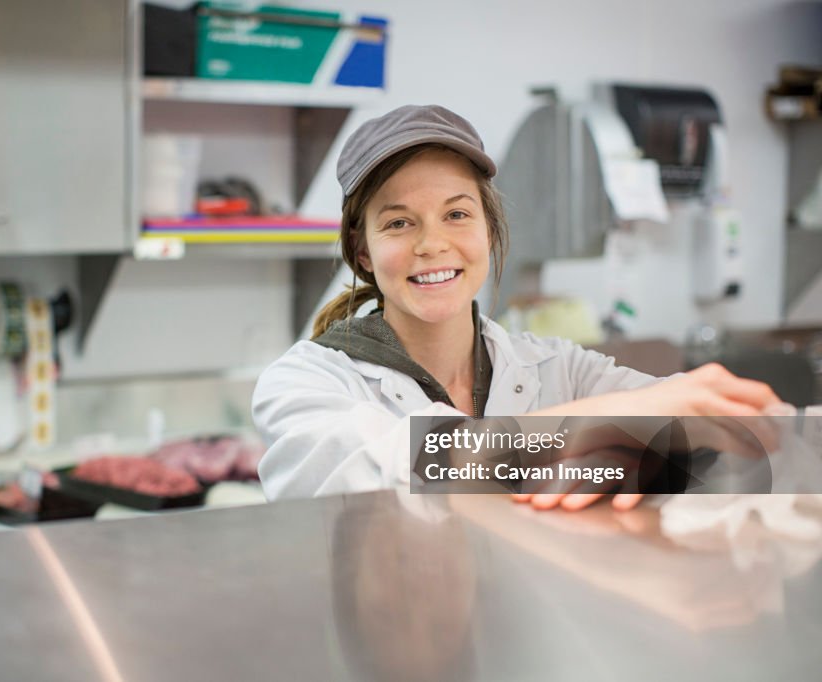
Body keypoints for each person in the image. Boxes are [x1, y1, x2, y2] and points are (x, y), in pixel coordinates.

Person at [252, 104, 781, 510]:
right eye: (398, 222)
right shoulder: (305, 382)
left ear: (488, 228)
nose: (432, 244)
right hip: (391, 639)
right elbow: (412, 464)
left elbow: (751, 444)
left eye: (456, 214)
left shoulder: (558, 369)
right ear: (363, 250)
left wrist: (639, 461)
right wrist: (603, 428)